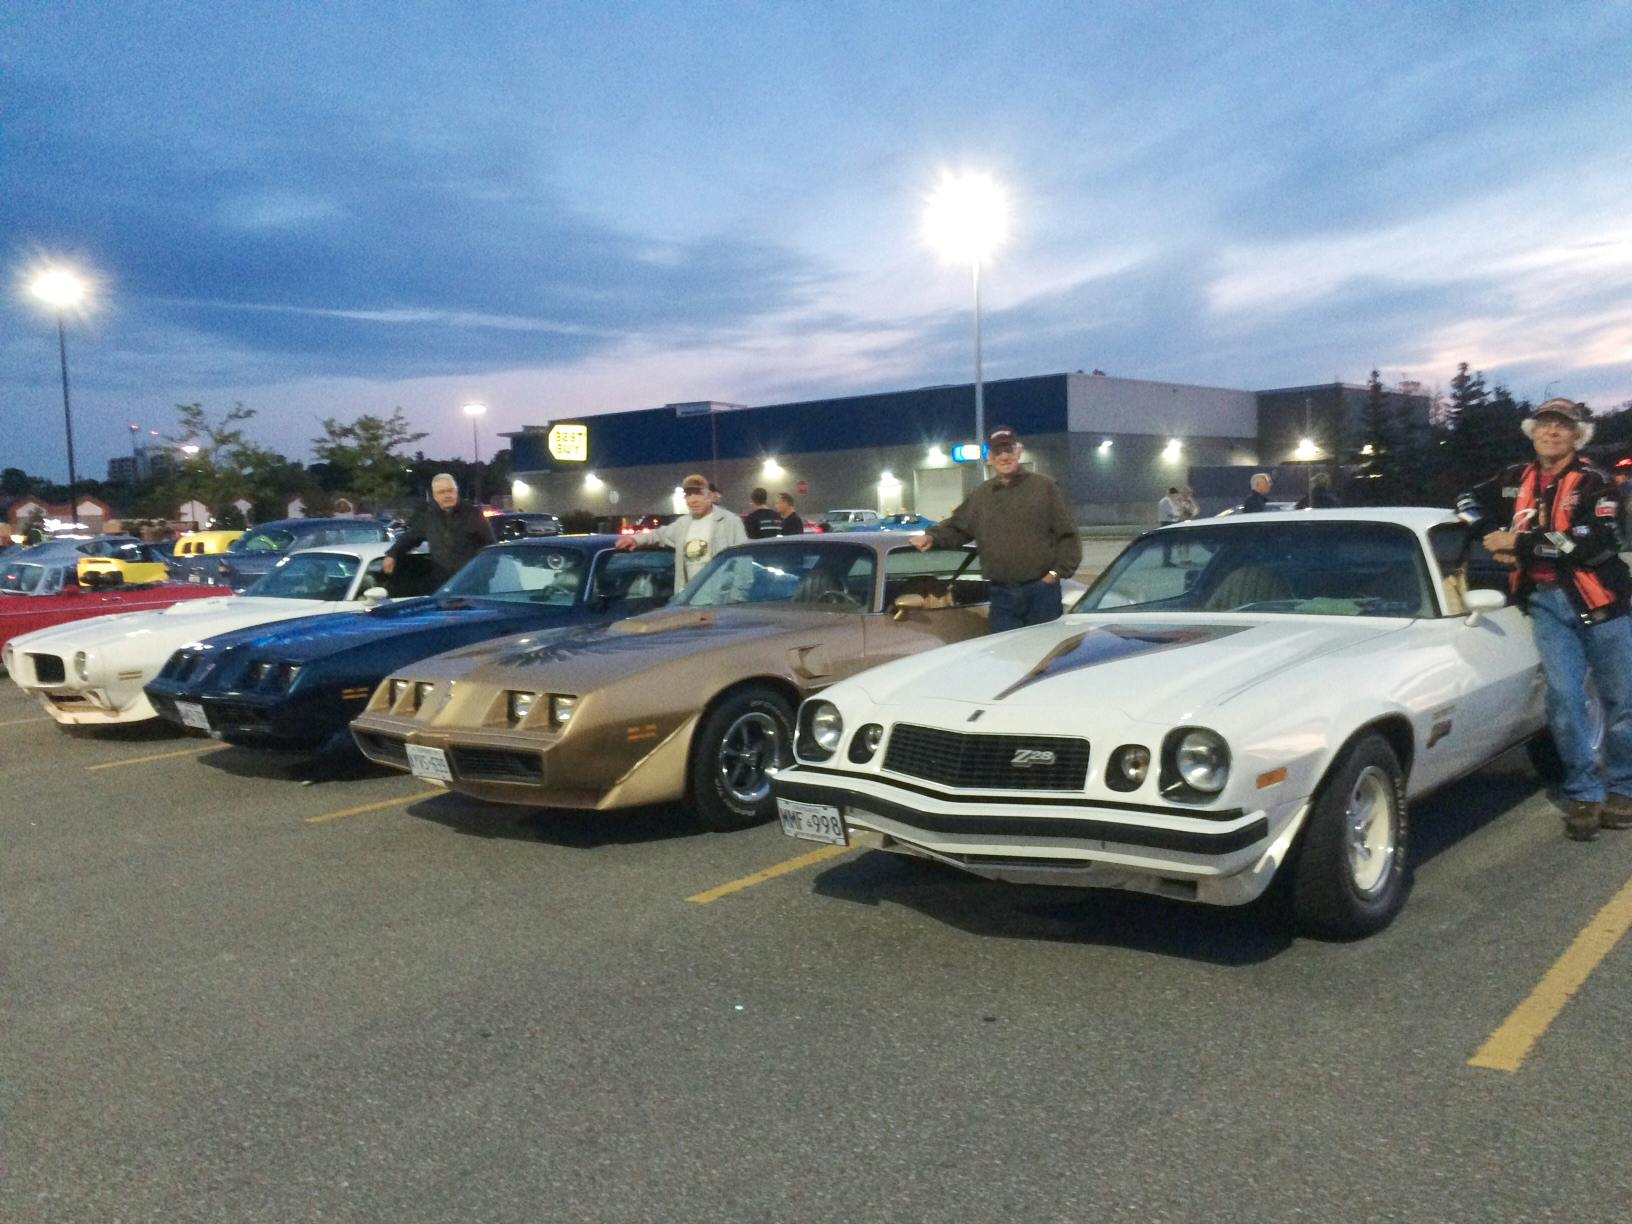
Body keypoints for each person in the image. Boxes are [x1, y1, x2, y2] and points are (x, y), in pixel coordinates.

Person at [1458, 397, 1632, 841]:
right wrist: (1484, 531)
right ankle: (1584, 793)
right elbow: (1465, 500)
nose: (1552, 432)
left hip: (1605, 604)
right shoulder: (1513, 479)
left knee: (1622, 703)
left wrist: (1518, 542)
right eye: (1544, 425)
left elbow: (1594, 540)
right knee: (1563, 700)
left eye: (1562, 426)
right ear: (1532, 431)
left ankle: (1624, 789)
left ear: (1578, 435)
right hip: (1546, 604)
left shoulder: (1596, 482)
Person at [913, 425, 1082, 632]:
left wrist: (1055, 574)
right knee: (1006, 658)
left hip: (1041, 593)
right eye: (997, 451)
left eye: (1008, 450)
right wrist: (932, 537)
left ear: (1018, 452)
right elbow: (958, 527)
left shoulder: (1045, 487)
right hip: (1002, 595)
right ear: (990, 457)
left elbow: (1068, 535)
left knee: (1042, 657)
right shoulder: (982, 495)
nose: (1004, 456)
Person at [616, 471, 748, 588]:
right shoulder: (682, 525)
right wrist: (635, 539)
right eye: (688, 495)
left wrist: (738, 597)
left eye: (698, 494)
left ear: (709, 496)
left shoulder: (730, 522)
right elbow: (658, 535)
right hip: (689, 600)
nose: (693, 500)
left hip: (720, 599)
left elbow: (743, 563)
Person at [383, 472, 493, 584]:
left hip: (472, 584)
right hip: (443, 586)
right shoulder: (428, 517)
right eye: (442, 492)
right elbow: (409, 538)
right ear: (435, 496)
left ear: (456, 491)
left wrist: (488, 574)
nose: (447, 495)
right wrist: (392, 554)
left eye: (450, 490)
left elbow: (491, 547)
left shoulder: (473, 514)